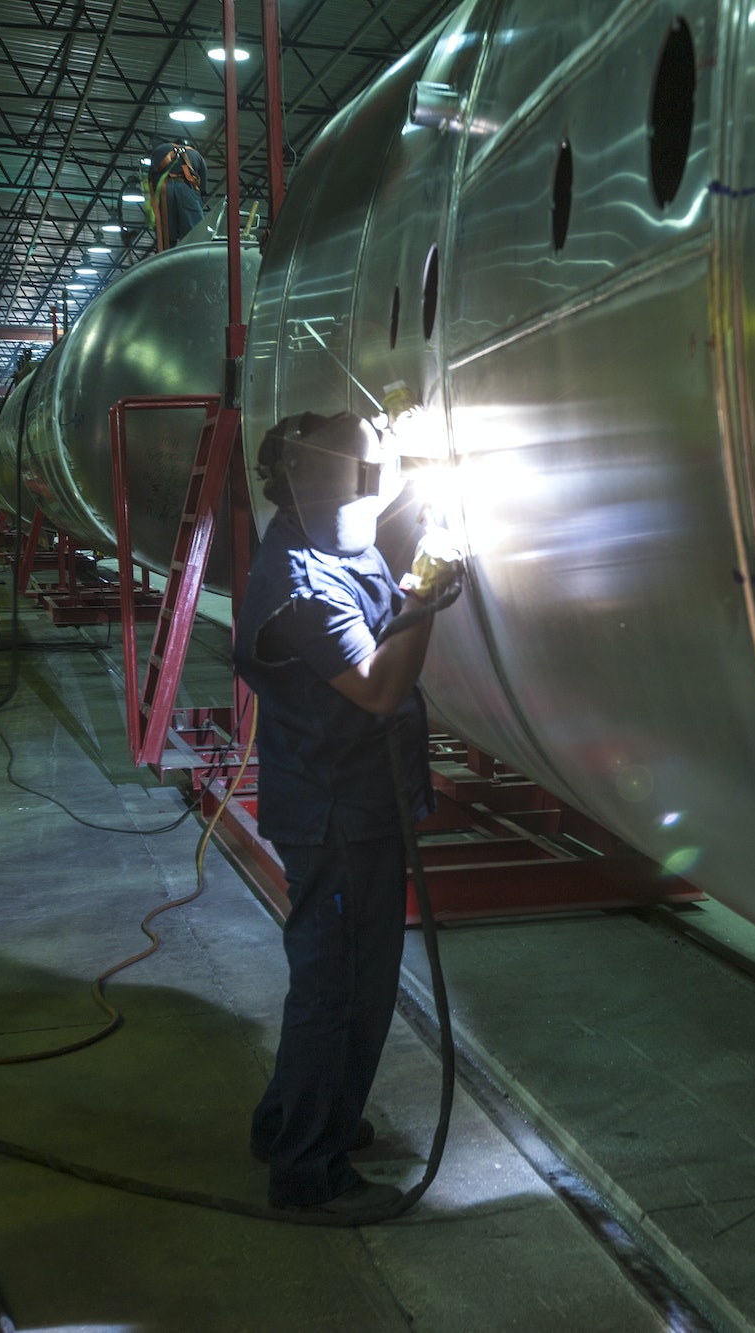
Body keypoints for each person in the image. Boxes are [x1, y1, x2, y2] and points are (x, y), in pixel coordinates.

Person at [232, 410, 462, 1215]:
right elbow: (378, 688)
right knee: (342, 989)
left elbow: (383, 521)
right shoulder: (300, 589)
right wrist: (425, 594)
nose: (378, 496)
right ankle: (307, 1171)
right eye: (368, 480)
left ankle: (284, 1122)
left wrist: (405, 442)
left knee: (338, 981)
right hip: (337, 812)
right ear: (328, 489)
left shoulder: (323, 535)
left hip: (355, 798)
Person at [145, 140, 207, 250]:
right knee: (194, 235)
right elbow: (202, 190)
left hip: (163, 190)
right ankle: (194, 261)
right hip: (187, 190)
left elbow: (150, 178)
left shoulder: (159, 150)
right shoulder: (196, 155)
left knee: (166, 238)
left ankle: (166, 263)